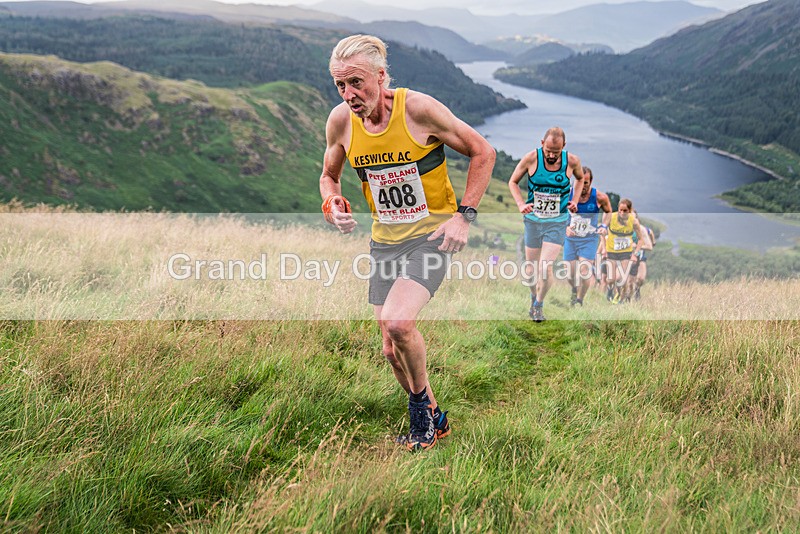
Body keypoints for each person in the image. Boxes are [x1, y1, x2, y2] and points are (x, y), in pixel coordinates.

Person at [319, 35, 495, 451]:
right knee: (390, 348)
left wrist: (463, 217)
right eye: (340, 86)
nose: (350, 95)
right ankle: (436, 418)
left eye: (357, 83)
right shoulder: (341, 122)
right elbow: (329, 174)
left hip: (431, 237)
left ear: (381, 77)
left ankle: (421, 421)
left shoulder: (417, 110)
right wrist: (332, 202)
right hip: (385, 242)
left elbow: (482, 152)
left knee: (399, 322)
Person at [507, 127, 585, 322]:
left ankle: (538, 304)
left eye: (556, 152)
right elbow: (513, 182)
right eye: (548, 150)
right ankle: (534, 295)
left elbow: (581, 178)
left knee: (545, 267)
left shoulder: (572, 161)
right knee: (531, 269)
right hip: (533, 221)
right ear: (542, 143)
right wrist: (520, 204)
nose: (551, 155)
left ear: (563, 147)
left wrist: (574, 200)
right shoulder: (531, 158)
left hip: (557, 221)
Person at [563, 166, 612, 306]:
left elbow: (608, 212)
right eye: (580, 182)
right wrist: (565, 227)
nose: (583, 186)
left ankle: (579, 300)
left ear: (591, 182)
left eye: (586, 182)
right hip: (570, 239)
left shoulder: (599, 197)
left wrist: (604, 225)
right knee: (569, 273)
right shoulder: (567, 195)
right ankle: (574, 289)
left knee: (585, 272)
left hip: (589, 240)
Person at [603, 198, 646, 303]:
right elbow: (602, 232)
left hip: (625, 253)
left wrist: (635, 253)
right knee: (611, 279)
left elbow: (641, 240)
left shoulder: (634, 222)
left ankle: (622, 300)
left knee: (622, 278)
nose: (622, 213)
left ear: (630, 210)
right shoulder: (611, 217)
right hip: (612, 251)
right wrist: (604, 249)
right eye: (620, 210)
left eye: (625, 210)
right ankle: (610, 290)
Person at [629, 216, 655, 300]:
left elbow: (650, 232)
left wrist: (652, 241)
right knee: (628, 280)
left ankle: (637, 289)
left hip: (640, 256)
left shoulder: (643, 229)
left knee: (641, 278)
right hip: (627, 257)